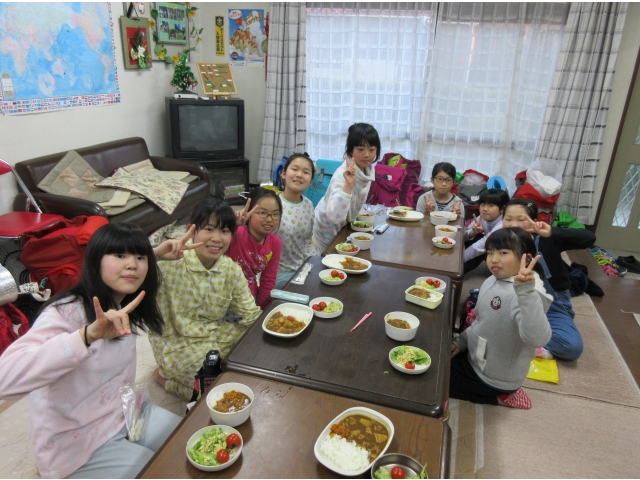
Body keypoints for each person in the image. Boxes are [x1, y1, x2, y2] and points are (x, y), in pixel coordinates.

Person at [0, 223, 182, 479]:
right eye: (120, 256)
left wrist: (155, 254)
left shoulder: (127, 302)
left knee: (187, 442)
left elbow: (128, 264)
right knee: (161, 472)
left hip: (127, 411)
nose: (132, 264)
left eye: (139, 257)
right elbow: (4, 379)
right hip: (78, 444)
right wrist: (86, 337)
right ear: (96, 261)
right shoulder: (66, 311)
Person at [150, 199, 262, 401]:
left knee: (249, 362)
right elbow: (124, 271)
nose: (217, 239)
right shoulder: (169, 263)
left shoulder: (230, 269)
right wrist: (154, 255)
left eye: (225, 231)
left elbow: (249, 313)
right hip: (177, 342)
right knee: (217, 389)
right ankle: (166, 379)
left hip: (213, 334)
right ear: (191, 231)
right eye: (209, 229)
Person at [450, 228, 553, 409]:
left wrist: (526, 292)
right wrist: (461, 343)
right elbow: (481, 322)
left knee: (437, 382)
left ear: (526, 258)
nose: (493, 259)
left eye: (503, 253)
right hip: (478, 356)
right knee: (436, 354)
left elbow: (538, 338)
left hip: (495, 377)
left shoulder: (530, 292)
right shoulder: (493, 280)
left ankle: (501, 397)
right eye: (490, 253)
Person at [502, 198, 596, 361]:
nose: (513, 225)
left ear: (534, 221)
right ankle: (526, 336)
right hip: (514, 302)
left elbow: (588, 238)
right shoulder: (501, 242)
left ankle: (528, 338)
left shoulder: (546, 240)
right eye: (508, 219)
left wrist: (552, 231)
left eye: (521, 219)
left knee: (570, 347)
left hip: (552, 306)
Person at [313, 123, 379, 254]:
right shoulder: (342, 175)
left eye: (371, 149)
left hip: (343, 226)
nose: (367, 155)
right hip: (327, 228)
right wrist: (348, 186)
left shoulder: (366, 170)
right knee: (327, 261)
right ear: (350, 150)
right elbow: (334, 217)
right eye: (360, 149)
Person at [229, 187, 283, 308]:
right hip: (224, 295)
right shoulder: (235, 234)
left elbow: (268, 280)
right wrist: (232, 223)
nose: (269, 219)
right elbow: (215, 234)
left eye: (275, 214)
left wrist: (262, 308)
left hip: (249, 297)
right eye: (263, 213)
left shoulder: (275, 243)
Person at [274, 152, 317, 289]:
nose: (299, 174)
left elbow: (308, 241)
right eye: (295, 169)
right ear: (284, 174)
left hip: (304, 269)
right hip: (277, 274)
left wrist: (314, 264)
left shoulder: (309, 205)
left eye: (305, 172)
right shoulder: (272, 204)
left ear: (310, 181)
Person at [463, 188, 510, 273]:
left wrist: (458, 261)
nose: (485, 208)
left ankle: (458, 270)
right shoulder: (483, 216)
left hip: (505, 254)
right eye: (482, 204)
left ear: (502, 209)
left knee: (483, 247)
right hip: (493, 246)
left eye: (491, 205)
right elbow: (465, 231)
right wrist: (473, 232)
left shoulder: (502, 224)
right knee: (476, 235)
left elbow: (480, 246)